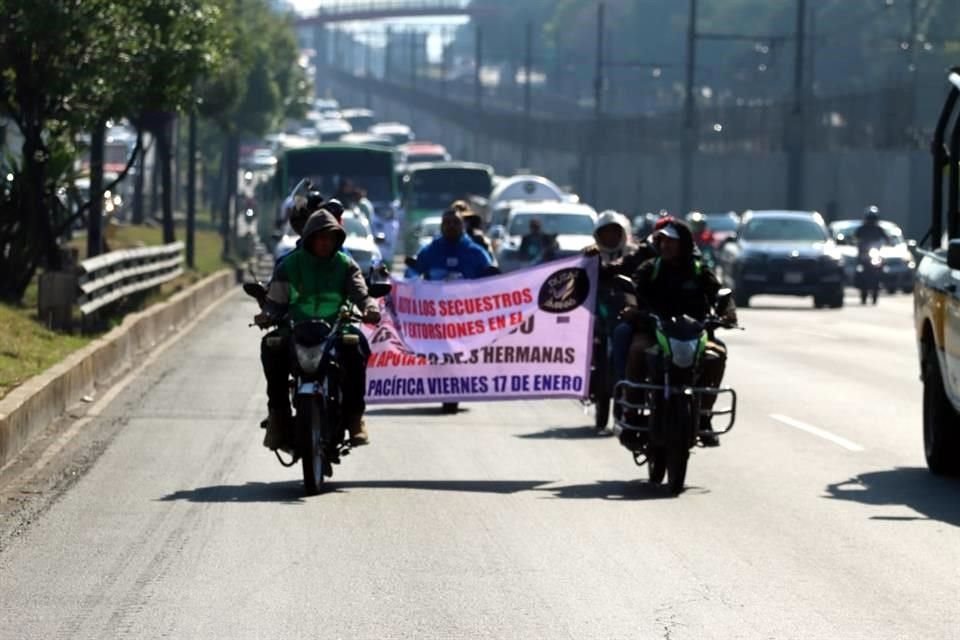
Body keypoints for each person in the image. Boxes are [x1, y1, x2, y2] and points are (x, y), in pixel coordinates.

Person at [256, 210, 381, 450]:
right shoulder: (289, 265)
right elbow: (275, 301)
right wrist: (267, 314)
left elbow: (361, 294)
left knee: (357, 348)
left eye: (330, 238)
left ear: (337, 240)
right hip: (296, 328)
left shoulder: (345, 265)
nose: (325, 242)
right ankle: (278, 419)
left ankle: (355, 419)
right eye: (320, 237)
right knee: (271, 347)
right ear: (310, 238)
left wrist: (370, 308)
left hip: (335, 327)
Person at [620, 219, 736, 447]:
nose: (666, 246)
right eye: (662, 241)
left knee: (718, 353)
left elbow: (720, 294)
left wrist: (728, 313)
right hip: (655, 331)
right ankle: (631, 415)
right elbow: (633, 290)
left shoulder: (699, 270)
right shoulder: (650, 268)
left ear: (683, 244)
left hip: (694, 335)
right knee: (637, 350)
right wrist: (632, 309)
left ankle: (703, 416)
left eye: (672, 241)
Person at [583, 211, 657, 387]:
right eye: (605, 232)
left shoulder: (636, 254)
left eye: (614, 232)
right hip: (597, 306)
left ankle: (623, 380)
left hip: (625, 307)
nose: (610, 237)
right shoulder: (591, 253)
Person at [408, 205, 496, 280]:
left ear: (463, 226)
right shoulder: (429, 252)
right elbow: (412, 275)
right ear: (441, 226)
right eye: (447, 222)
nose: (451, 226)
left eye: (456, 222)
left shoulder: (477, 253)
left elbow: (491, 280)